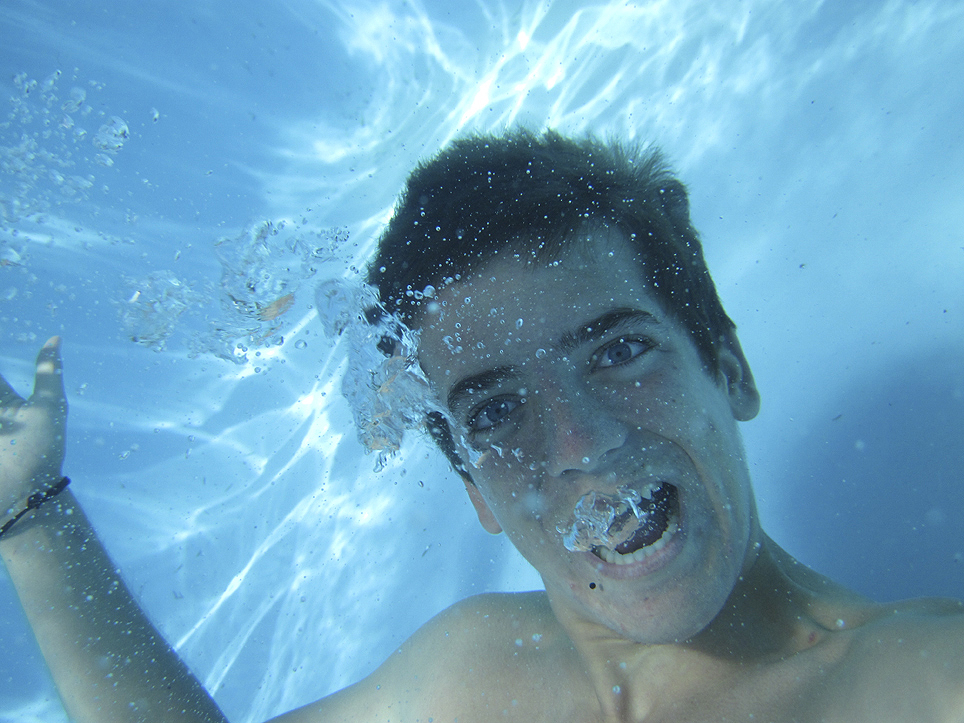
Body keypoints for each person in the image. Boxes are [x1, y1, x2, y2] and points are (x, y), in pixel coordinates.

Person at [1, 129, 962, 723]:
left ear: (730, 367)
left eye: (619, 350)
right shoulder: (469, 676)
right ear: (476, 490)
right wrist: (32, 512)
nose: (581, 442)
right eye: (496, 410)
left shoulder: (925, 681)